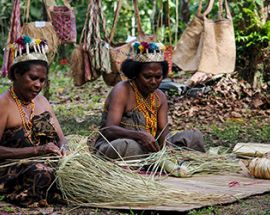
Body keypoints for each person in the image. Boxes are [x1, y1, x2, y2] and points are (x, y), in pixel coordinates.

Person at [95, 41, 205, 160]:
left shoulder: (160, 97)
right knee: (127, 146)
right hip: (117, 144)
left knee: (194, 137)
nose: (153, 81)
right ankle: (151, 162)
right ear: (135, 74)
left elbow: (163, 131)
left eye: (158, 77)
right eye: (147, 77)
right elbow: (109, 130)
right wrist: (139, 136)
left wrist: (166, 150)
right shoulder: (122, 90)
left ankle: (159, 162)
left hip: (151, 149)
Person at [0, 35, 67, 207]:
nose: (38, 85)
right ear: (16, 74)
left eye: (42, 80)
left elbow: (61, 138)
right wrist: (37, 150)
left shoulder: (42, 102)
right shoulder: (3, 104)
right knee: (41, 173)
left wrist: (65, 151)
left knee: (74, 171)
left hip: (46, 162)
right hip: (12, 168)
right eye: (33, 78)